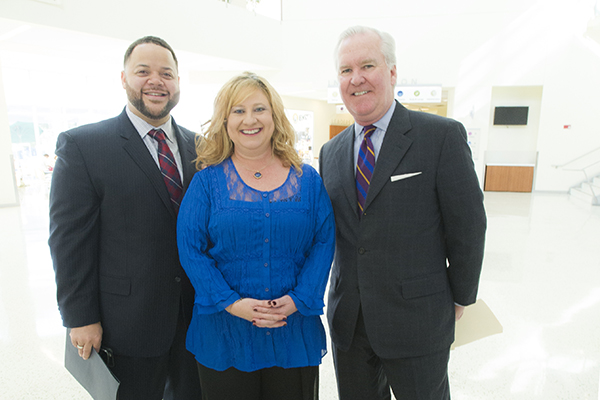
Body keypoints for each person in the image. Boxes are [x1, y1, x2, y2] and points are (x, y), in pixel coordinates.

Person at [318, 26, 487, 400]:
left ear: (392, 72)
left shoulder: (440, 137)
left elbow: (468, 225)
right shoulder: (330, 152)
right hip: (350, 323)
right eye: (346, 70)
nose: (356, 78)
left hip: (417, 320)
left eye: (367, 65)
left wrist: (460, 297)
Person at [48, 36, 202, 400]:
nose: (156, 81)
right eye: (143, 71)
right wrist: (79, 316)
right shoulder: (84, 146)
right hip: (128, 324)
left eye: (167, 73)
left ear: (178, 82)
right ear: (123, 79)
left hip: (196, 320)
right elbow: (68, 240)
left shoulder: (201, 146)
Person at [177, 71, 335, 400]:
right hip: (225, 332)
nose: (250, 119)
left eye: (259, 109)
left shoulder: (308, 180)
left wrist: (296, 301)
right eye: (238, 110)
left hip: (292, 329)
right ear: (225, 121)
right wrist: (232, 304)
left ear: (275, 117)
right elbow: (191, 250)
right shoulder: (206, 182)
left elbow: (324, 243)